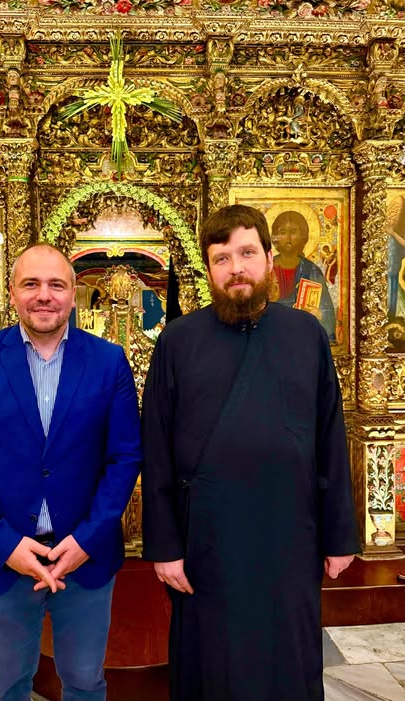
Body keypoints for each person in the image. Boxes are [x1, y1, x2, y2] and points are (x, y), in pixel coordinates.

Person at [141, 204, 359, 701]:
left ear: (268, 258)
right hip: (208, 541)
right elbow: (156, 450)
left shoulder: (306, 335)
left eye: (246, 253)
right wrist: (166, 547)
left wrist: (340, 535)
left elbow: (330, 437)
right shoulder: (178, 340)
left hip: (291, 537)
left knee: (288, 661)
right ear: (209, 269)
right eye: (221, 258)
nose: (235, 268)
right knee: (213, 664)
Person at [0, 243, 141, 701]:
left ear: (73, 293)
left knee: (86, 683)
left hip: (84, 559)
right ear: (12, 292)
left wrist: (87, 540)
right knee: (6, 686)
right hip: (3, 558)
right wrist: (5, 544)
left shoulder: (108, 362)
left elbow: (125, 458)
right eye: (31, 284)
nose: (44, 295)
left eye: (56, 284)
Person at [271, 210, 336, 340]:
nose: (288, 238)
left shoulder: (312, 271)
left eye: (293, 232)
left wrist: (317, 315)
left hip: (302, 337)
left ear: (303, 236)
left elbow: (327, 315)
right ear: (275, 237)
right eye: (283, 232)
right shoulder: (266, 269)